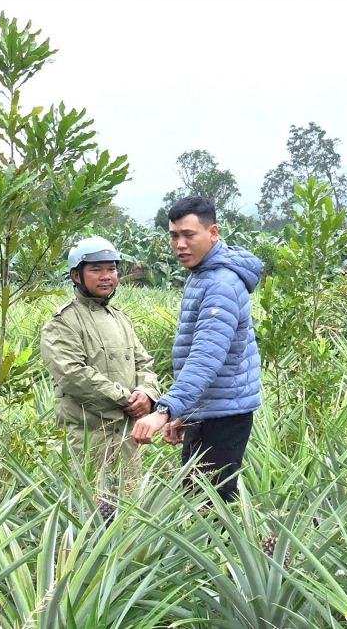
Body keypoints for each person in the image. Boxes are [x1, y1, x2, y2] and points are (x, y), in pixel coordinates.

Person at [131, 196, 262, 503]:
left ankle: (233, 553)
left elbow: (206, 356)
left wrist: (165, 410)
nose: (180, 244)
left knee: (209, 509)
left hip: (224, 417)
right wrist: (185, 414)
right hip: (209, 410)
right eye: (174, 236)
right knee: (197, 501)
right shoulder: (203, 274)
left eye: (189, 235)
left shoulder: (221, 284)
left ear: (213, 232)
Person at [41, 236, 161, 519]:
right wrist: (126, 399)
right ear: (76, 275)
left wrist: (147, 393)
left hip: (128, 435)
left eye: (112, 269)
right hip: (90, 437)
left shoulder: (121, 319)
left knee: (129, 511)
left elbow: (144, 362)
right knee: (88, 514)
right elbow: (72, 375)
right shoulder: (62, 322)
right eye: (96, 269)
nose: (106, 277)